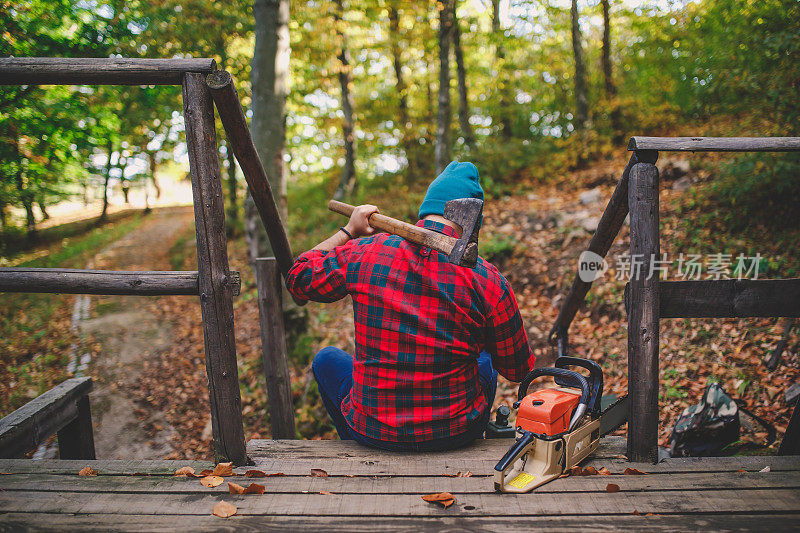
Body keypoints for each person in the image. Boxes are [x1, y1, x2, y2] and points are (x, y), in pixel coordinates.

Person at [286, 161, 535, 451]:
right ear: (472, 219)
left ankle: (354, 444)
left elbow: (299, 275)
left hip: (372, 430)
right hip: (454, 434)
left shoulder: (366, 254)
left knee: (326, 359)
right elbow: (519, 371)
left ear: (426, 210)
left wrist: (349, 230)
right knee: (487, 359)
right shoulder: (487, 279)